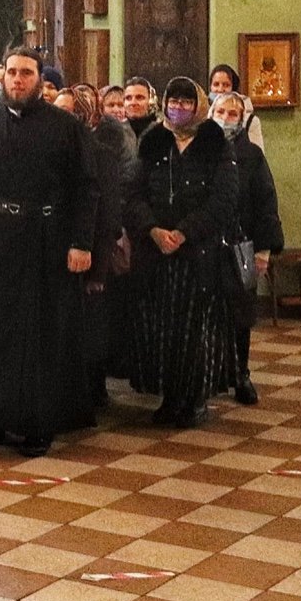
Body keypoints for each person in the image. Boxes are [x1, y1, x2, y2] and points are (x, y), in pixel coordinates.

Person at [0, 49, 99, 458]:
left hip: (45, 242)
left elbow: (87, 189)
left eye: (25, 73)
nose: (17, 79)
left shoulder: (66, 127)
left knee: (39, 334)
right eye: (11, 72)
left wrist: (82, 243)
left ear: (39, 79)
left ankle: (38, 423)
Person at [125, 78, 240, 429]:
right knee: (162, 328)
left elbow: (223, 198)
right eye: (173, 100)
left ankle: (193, 399)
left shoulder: (214, 142)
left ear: (199, 105)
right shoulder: (153, 140)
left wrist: (185, 232)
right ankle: (170, 396)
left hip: (197, 253)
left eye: (186, 102)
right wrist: (153, 230)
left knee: (195, 331)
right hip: (157, 253)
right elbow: (133, 193)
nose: (179, 107)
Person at [211, 91, 282, 407]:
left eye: (232, 113)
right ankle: (211, 374)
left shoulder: (252, 155)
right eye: (221, 111)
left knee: (240, 314)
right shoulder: (202, 151)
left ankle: (241, 374)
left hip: (242, 245)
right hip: (208, 245)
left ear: (242, 119)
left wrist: (264, 251)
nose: (226, 117)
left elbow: (265, 203)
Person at [207, 64, 265, 150]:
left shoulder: (250, 120)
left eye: (226, 85)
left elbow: (256, 155)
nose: (220, 89)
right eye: (216, 84)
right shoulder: (201, 115)